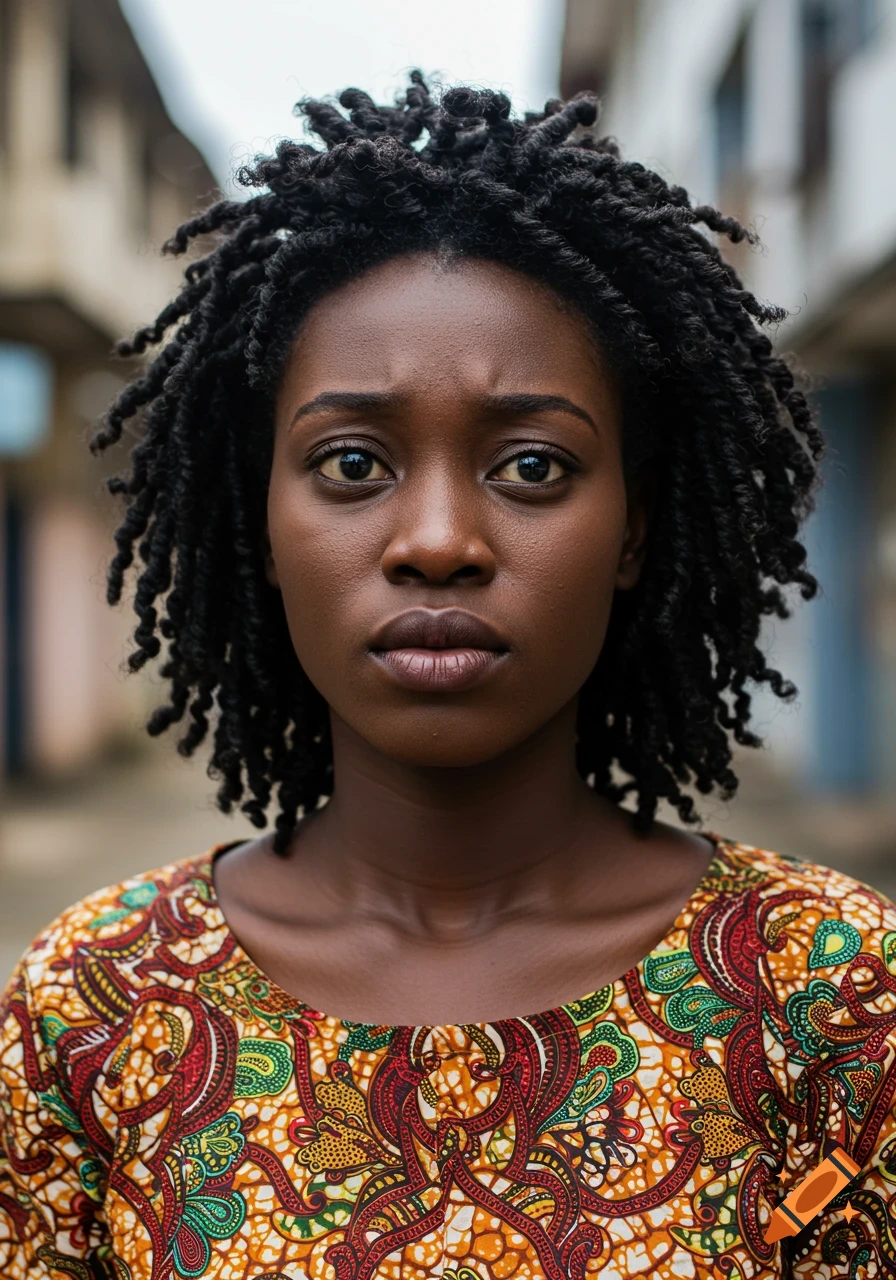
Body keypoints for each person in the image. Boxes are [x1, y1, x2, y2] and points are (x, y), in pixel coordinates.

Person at [1, 73, 893, 1280]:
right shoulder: (95, 1001)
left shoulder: (830, 995)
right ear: (259, 521)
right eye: (351, 459)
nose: (435, 538)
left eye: (531, 464)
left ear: (633, 528)